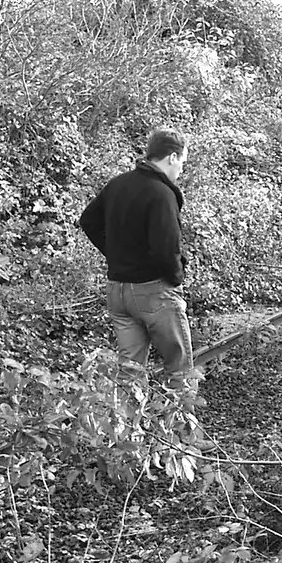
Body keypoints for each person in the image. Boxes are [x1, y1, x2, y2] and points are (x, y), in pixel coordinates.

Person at [79, 128, 196, 389]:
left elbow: (88, 221)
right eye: (182, 164)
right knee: (179, 368)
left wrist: (115, 254)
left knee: (129, 373)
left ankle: (127, 429)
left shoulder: (118, 184)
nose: (180, 171)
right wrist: (176, 277)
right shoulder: (161, 194)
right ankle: (182, 429)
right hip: (153, 292)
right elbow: (166, 249)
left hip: (118, 292)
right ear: (172, 157)